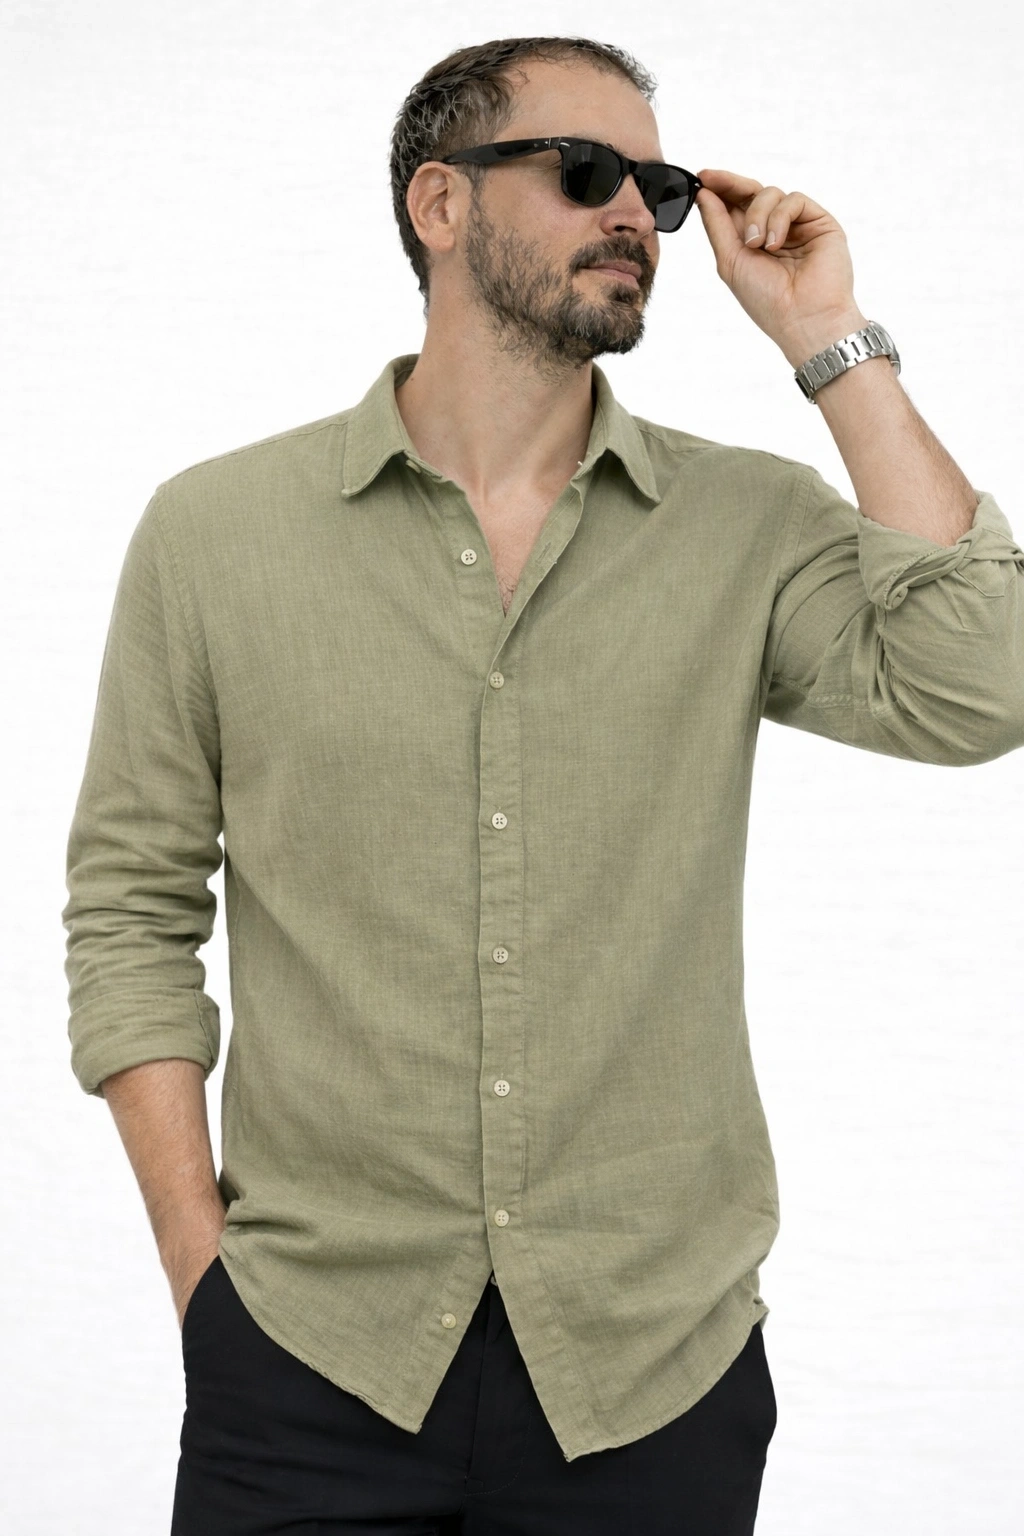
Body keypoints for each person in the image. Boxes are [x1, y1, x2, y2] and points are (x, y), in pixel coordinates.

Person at [61, 33, 1024, 1536]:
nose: (637, 213)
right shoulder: (215, 535)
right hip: (310, 1354)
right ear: (440, 203)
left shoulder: (745, 523)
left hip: (651, 1370)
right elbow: (130, 910)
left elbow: (985, 685)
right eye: (586, 173)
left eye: (656, 186)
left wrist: (830, 340)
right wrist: (205, 1278)